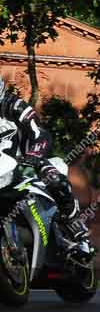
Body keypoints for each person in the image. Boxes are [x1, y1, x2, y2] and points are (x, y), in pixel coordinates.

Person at [0, 77, 94, 257]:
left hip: (25, 160)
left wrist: (33, 155)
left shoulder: (14, 105)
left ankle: (76, 227)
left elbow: (38, 133)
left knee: (54, 178)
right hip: (2, 168)